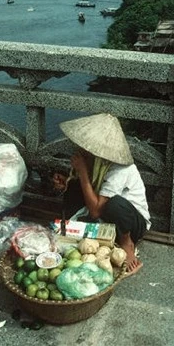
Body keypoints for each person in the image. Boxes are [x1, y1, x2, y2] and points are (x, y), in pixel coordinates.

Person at [53, 113, 151, 275]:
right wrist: (67, 182)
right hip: (106, 212)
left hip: (132, 223)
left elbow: (96, 210)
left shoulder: (120, 169)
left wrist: (83, 171)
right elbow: (90, 188)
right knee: (74, 186)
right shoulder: (95, 161)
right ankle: (70, 230)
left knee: (115, 204)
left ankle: (127, 244)